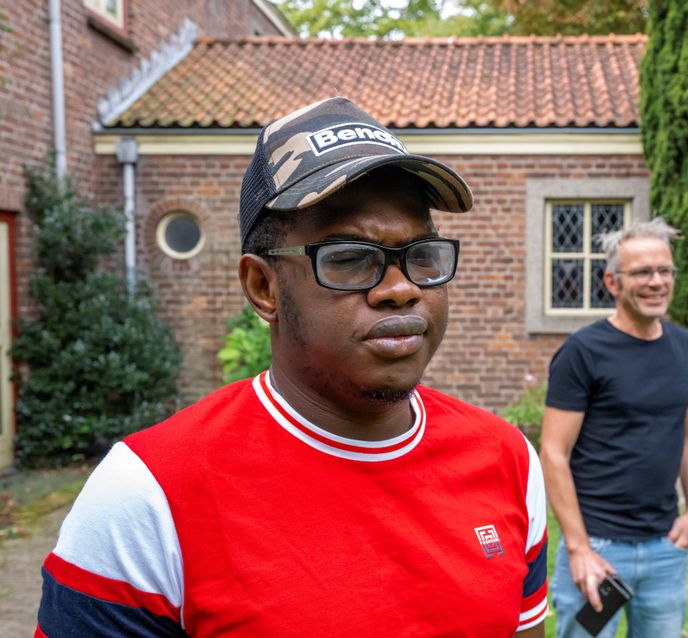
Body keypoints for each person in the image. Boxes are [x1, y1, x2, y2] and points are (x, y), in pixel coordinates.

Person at [36, 97, 548, 637]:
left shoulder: (507, 460)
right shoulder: (147, 495)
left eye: (421, 254)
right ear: (264, 288)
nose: (400, 289)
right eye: (350, 258)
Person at [540, 217, 688, 638]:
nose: (657, 281)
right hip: (599, 548)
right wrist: (579, 548)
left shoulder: (683, 345)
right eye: (643, 272)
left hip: (665, 548)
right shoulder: (582, 352)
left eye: (665, 270)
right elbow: (554, 453)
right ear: (612, 282)